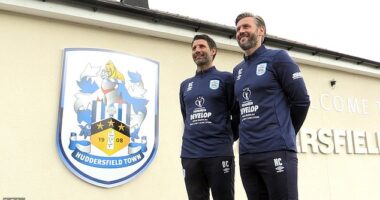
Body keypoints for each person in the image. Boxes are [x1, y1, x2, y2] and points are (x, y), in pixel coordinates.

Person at [233, 12, 310, 200]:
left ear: (261, 31)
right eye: (238, 29)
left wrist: (286, 132)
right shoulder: (238, 71)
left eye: (246, 27)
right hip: (247, 155)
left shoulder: (278, 58)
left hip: (276, 149)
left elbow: (301, 101)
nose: (241, 31)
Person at [179, 34, 239, 200]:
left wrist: (225, 137)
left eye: (201, 46)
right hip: (190, 155)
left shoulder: (226, 79)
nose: (197, 50)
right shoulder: (185, 85)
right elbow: (187, 117)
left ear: (213, 51)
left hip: (219, 153)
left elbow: (238, 114)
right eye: (194, 48)